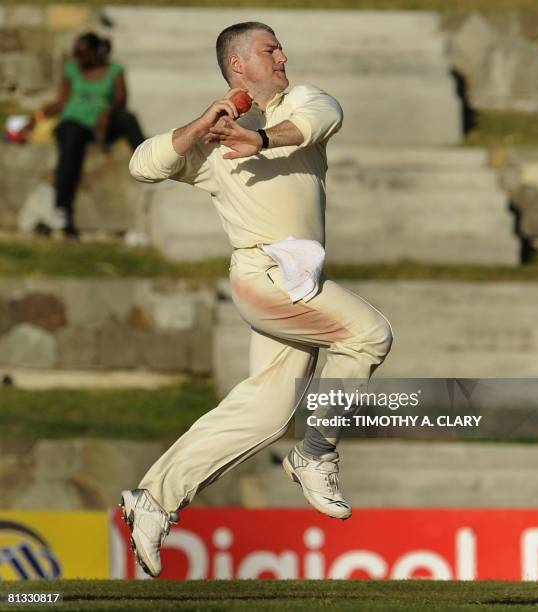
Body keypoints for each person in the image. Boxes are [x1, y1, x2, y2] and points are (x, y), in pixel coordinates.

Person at [121, 21, 393, 577]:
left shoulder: (302, 103)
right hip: (265, 275)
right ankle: (314, 453)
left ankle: (153, 501)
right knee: (369, 333)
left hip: (301, 276)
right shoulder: (217, 139)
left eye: (280, 46)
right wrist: (200, 126)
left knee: (266, 410)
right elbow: (143, 165)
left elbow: (323, 118)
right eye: (270, 50)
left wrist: (263, 139)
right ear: (239, 65)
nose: (283, 55)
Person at [29, 32, 145, 238]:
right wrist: (35, 118)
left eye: (82, 53)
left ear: (95, 52)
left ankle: (151, 161)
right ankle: (62, 211)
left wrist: (108, 113)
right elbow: (61, 102)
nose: (78, 57)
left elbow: (121, 100)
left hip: (103, 122)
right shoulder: (71, 70)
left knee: (128, 118)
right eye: (76, 53)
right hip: (75, 124)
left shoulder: (114, 70)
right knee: (69, 149)